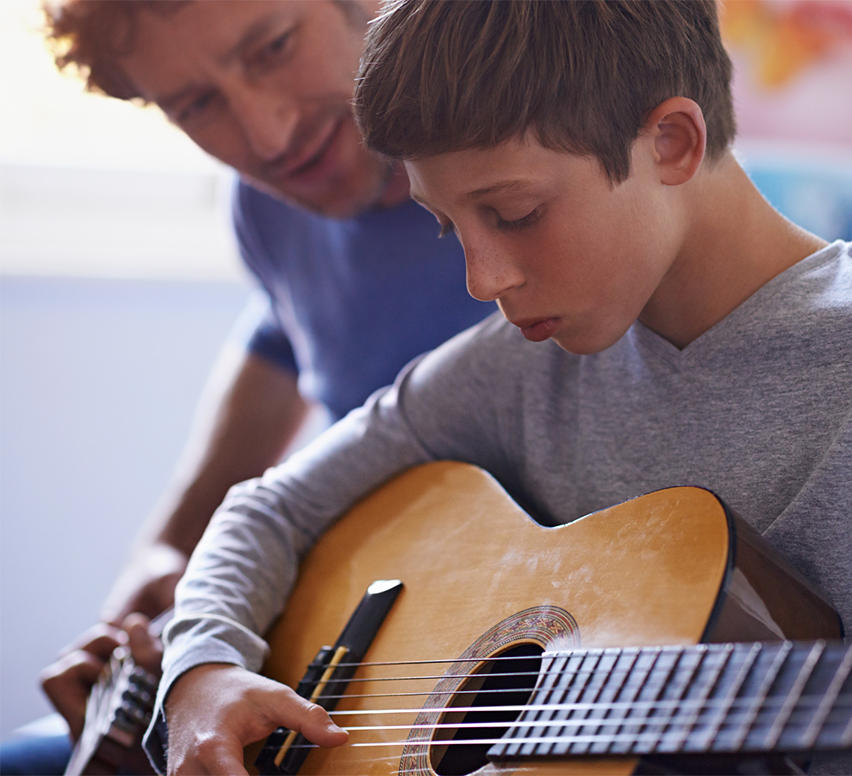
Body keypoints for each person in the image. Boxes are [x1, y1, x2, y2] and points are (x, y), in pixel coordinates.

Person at [143, 0, 852, 775]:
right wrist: (199, 667)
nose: (481, 280)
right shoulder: (521, 363)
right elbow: (269, 506)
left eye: (516, 212)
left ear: (671, 143)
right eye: (453, 227)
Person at [10, 0, 493, 770]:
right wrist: (160, 575)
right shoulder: (272, 210)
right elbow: (279, 346)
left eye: (271, 48)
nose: (269, 138)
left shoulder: (545, 180)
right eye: (196, 104)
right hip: (354, 666)